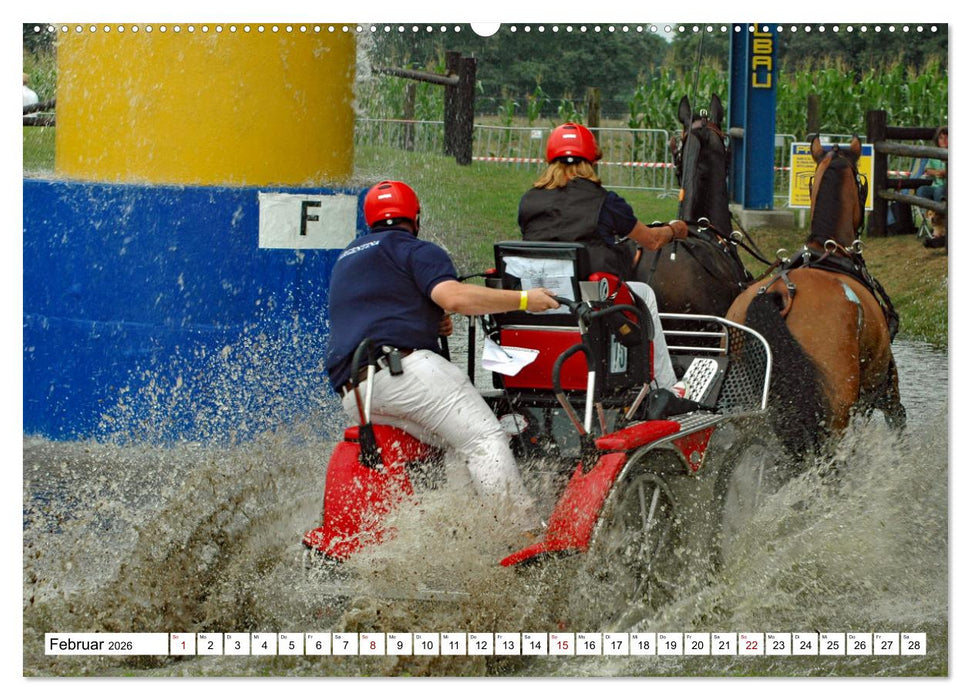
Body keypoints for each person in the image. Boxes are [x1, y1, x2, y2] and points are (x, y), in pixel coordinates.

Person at [326, 180, 559, 537]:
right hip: (402, 373)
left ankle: (460, 536)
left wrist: (426, 321)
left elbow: (377, 309)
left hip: (356, 391)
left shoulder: (347, 258)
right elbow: (454, 297)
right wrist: (526, 299)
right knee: (484, 438)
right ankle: (525, 536)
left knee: (456, 443)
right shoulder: (418, 250)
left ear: (369, 220)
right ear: (415, 218)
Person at [518, 122, 688, 389]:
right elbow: (652, 241)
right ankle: (666, 388)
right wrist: (674, 230)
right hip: (589, 299)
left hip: (538, 299)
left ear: (550, 159)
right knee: (643, 293)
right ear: (591, 161)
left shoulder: (528, 200)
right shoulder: (605, 201)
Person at [917, 126, 947, 248]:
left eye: (947, 138)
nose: (944, 141)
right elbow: (927, 169)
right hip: (935, 185)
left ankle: (941, 224)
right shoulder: (935, 154)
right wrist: (936, 173)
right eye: (941, 138)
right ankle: (932, 219)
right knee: (922, 191)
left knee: (939, 192)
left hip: (946, 188)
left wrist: (945, 173)